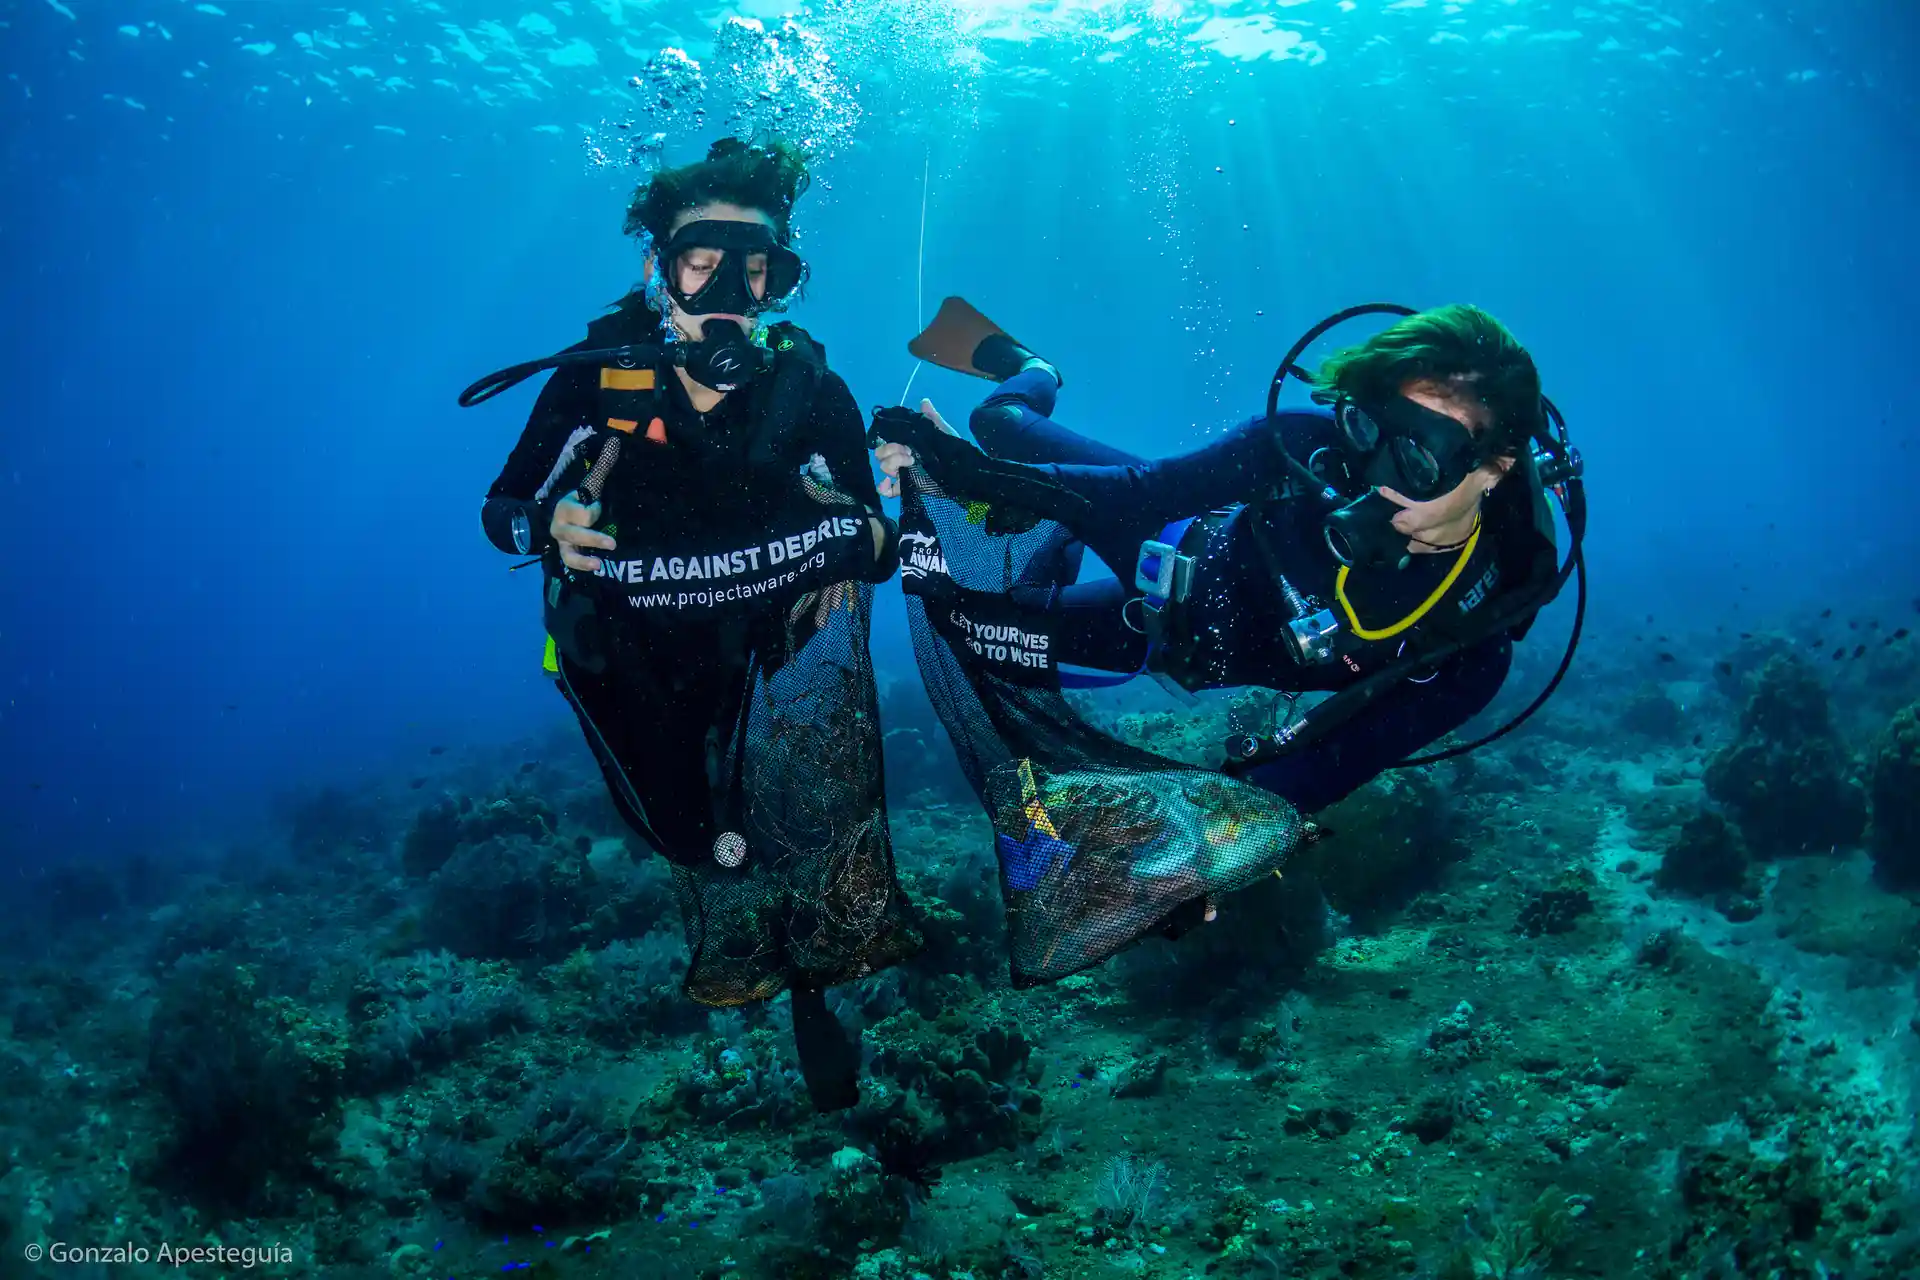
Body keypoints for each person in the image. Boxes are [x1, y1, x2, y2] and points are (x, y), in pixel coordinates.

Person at [462, 137, 916, 1108]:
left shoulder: (807, 390)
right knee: (694, 832)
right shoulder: (597, 379)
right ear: (656, 270)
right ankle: (745, 901)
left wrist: (871, 520)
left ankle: (807, 989)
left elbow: (881, 537)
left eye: (757, 270)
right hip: (627, 655)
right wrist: (549, 520)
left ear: (781, 279)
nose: (728, 295)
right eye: (700, 263)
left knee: (778, 823)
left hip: (757, 647)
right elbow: (500, 504)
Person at [871, 298, 1581, 815]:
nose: (1371, 478)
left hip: (1157, 642)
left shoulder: (1471, 642)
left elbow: (1331, 764)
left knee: (981, 639)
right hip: (1173, 536)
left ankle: (1051, 550)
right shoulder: (1303, 444)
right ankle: (1034, 369)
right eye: (1365, 428)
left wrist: (1218, 845)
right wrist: (972, 476)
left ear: (1495, 466)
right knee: (996, 427)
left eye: (1417, 459)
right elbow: (1145, 492)